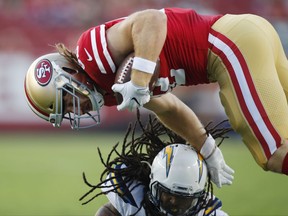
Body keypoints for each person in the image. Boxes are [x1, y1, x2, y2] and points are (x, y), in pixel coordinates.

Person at [24, 7, 288, 186]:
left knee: (275, 155)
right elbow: (169, 108)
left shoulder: (91, 54)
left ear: (68, 72)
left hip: (228, 47)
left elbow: (152, 19)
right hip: (246, 33)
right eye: (68, 111)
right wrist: (207, 149)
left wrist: (139, 80)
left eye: (68, 100)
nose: (77, 110)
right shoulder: (111, 89)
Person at [79, 113, 231, 215]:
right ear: (152, 183)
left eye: (184, 199)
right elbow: (109, 212)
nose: (174, 204)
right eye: (168, 195)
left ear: (198, 198)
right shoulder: (134, 199)